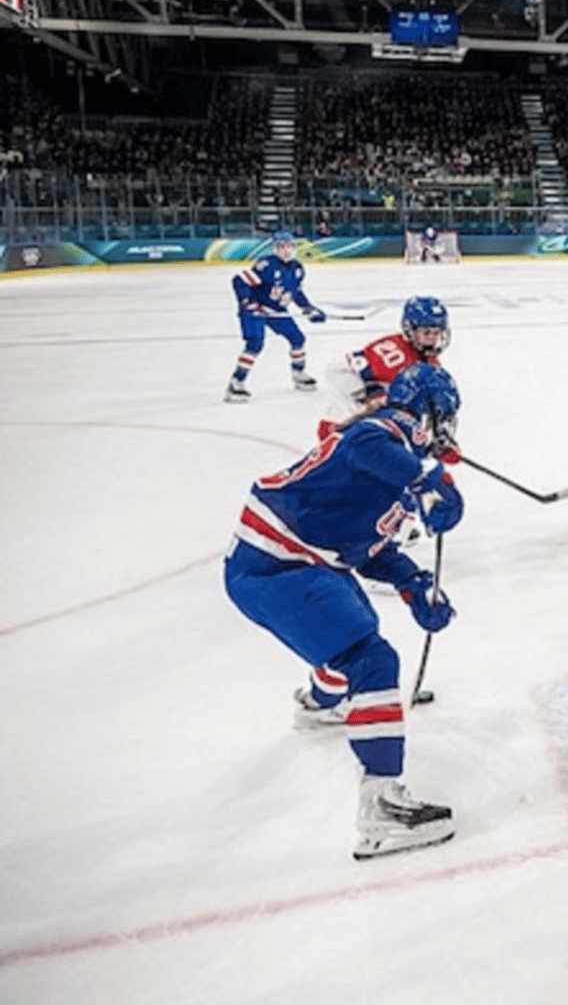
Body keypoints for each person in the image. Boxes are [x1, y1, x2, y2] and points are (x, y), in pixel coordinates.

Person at [223, 363, 465, 859]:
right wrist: (427, 476)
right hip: (274, 565)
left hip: (293, 559)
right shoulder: (384, 430)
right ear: (433, 415)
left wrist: (414, 584)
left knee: (357, 630)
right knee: (372, 660)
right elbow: (361, 441)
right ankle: (381, 811)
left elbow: (367, 549)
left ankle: (320, 704)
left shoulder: (393, 463)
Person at [317, 296, 452, 443]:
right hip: (346, 414)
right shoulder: (395, 350)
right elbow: (356, 363)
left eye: (436, 332)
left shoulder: (432, 364)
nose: (432, 338)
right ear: (410, 329)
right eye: (426, 332)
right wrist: (372, 390)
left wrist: (439, 437)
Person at [225, 230, 327, 402]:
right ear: (275, 249)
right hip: (255, 310)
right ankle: (236, 382)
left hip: (276, 311)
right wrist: (246, 302)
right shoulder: (266, 265)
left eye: (289, 246)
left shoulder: (297, 269)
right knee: (255, 343)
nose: (286, 250)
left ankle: (298, 373)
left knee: (298, 339)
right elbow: (240, 280)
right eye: (281, 247)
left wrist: (309, 308)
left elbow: (296, 292)